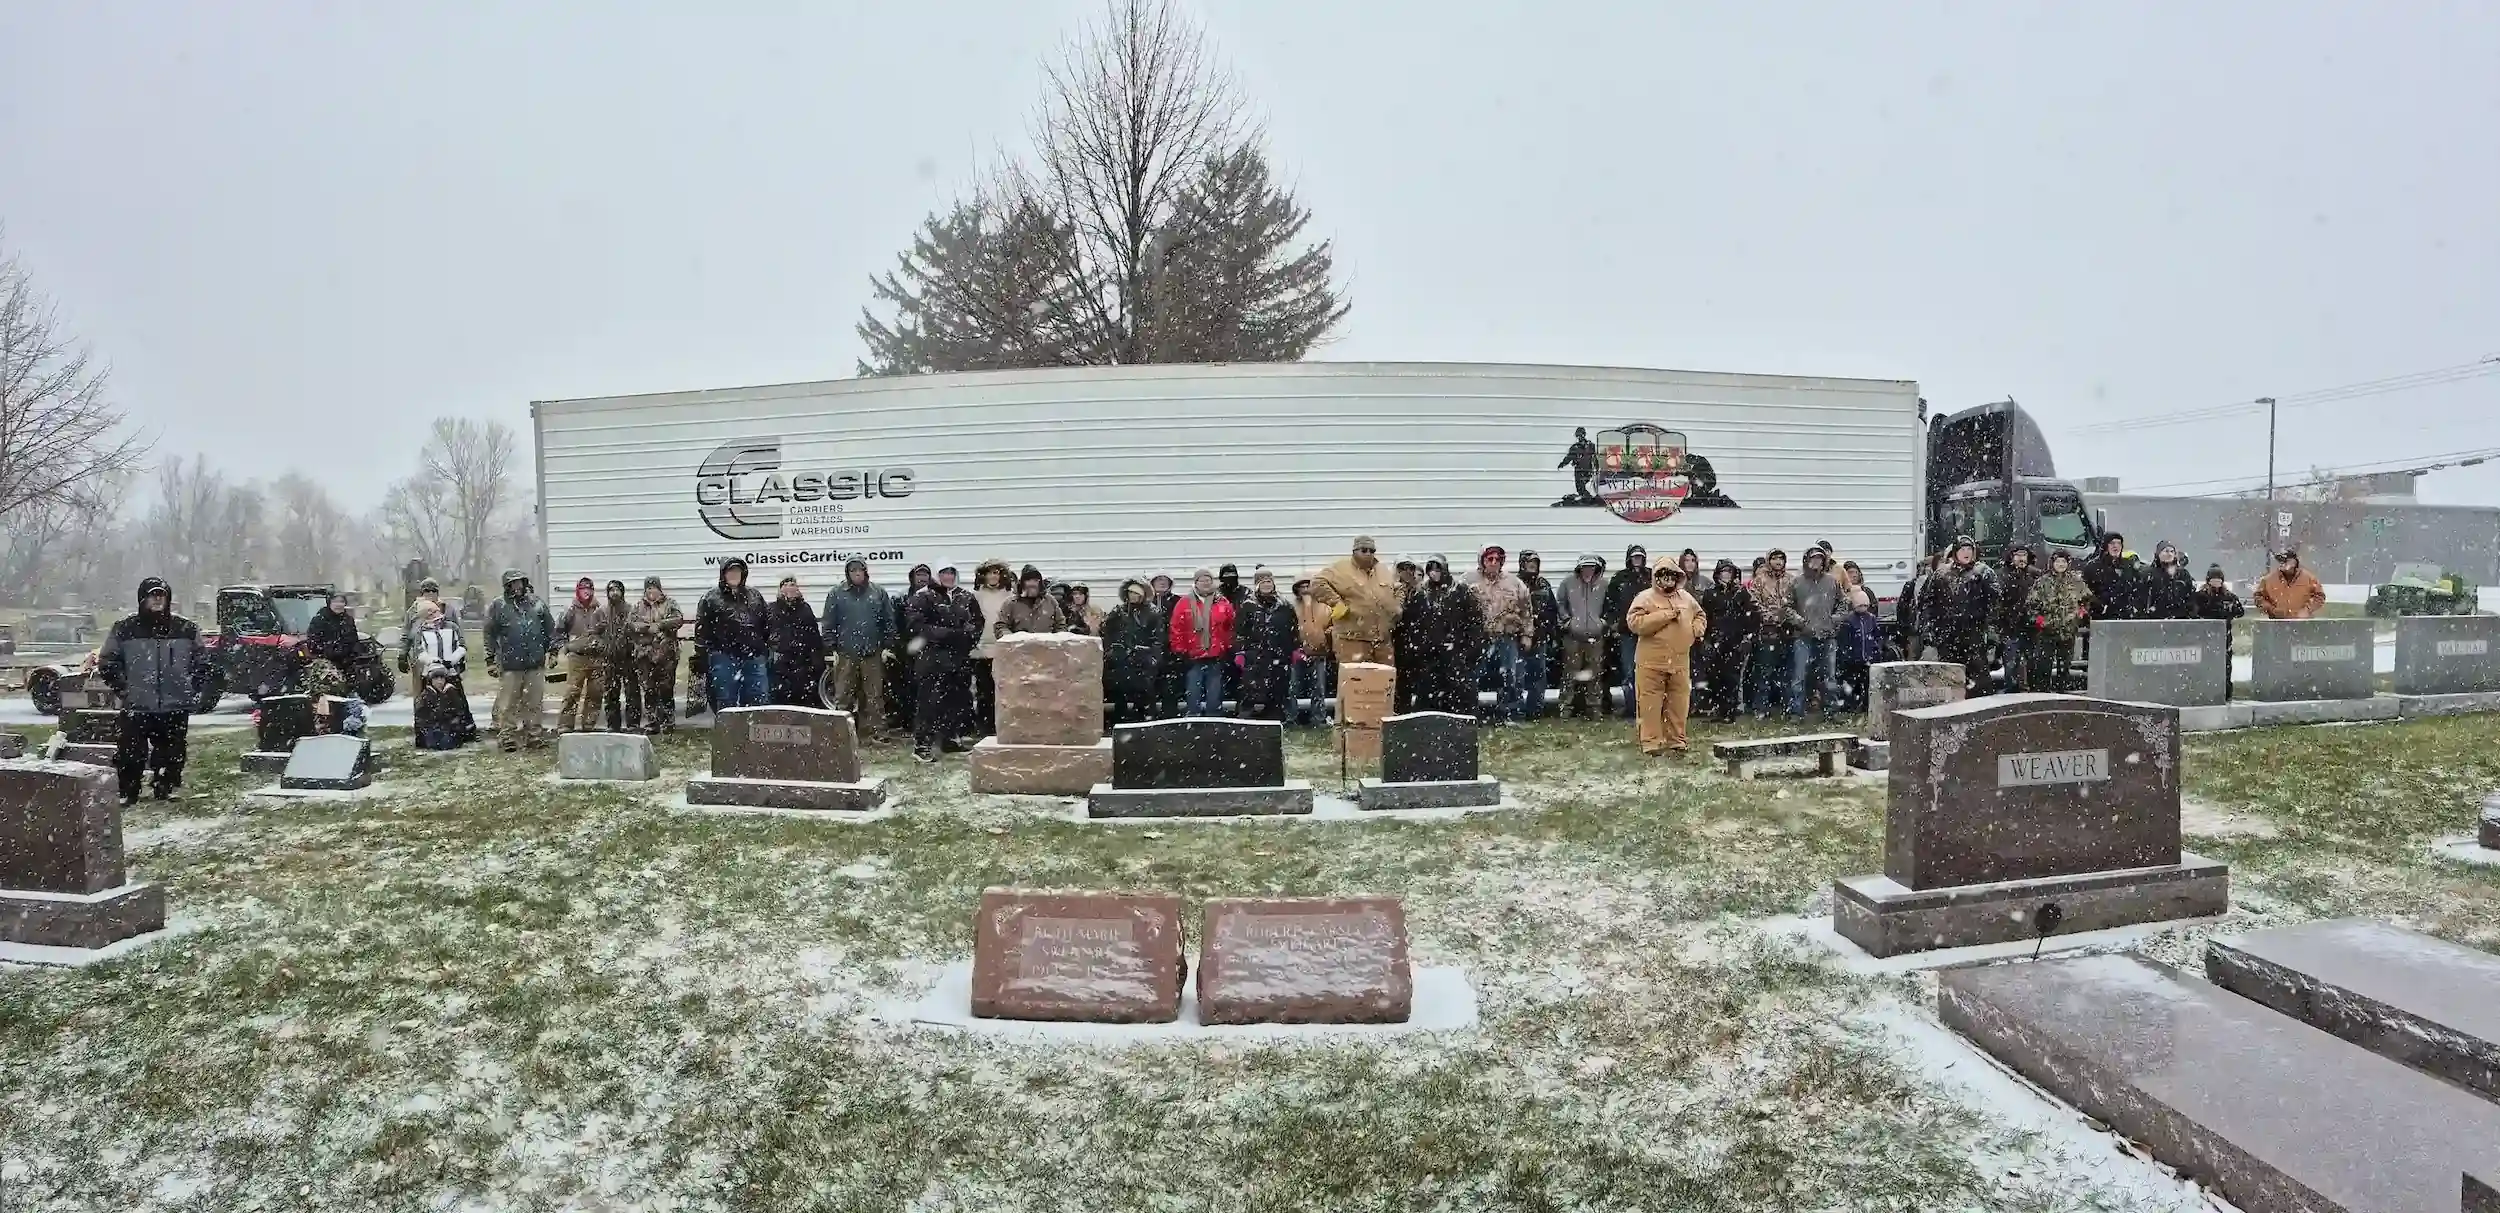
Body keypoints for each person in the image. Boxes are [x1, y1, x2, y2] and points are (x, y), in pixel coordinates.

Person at [97, 577, 209, 804]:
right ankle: (129, 791)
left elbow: (203, 662)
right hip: (137, 703)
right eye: (153, 595)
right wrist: (123, 688)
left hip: (175, 703)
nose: (157, 599)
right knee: (130, 752)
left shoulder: (185, 629)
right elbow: (108, 661)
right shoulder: (125, 629)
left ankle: (166, 787)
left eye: (161, 595)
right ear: (142, 598)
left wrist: (192, 686)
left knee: (172, 751)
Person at [1625, 564, 1707, 756]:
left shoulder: (1686, 598)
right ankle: (1651, 743)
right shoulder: (1644, 597)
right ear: (1657, 578)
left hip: (1679, 661)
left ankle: (1677, 740)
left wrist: (1696, 629)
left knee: (1679, 703)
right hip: (1651, 662)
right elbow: (1635, 624)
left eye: (1672, 576)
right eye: (1664, 577)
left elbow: (1700, 615)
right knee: (1650, 704)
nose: (1668, 580)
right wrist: (1665, 615)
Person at [904, 565, 981, 761]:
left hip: (958, 659)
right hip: (931, 658)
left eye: (951, 573)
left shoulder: (965, 596)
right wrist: (947, 635)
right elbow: (916, 626)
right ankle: (922, 746)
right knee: (929, 703)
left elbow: (978, 623)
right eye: (944, 573)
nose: (948, 577)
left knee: (955, 702)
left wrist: (967, 640)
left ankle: (950, 740)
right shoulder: (923, 596)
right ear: (937, 576)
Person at [482, 570, 554, 750]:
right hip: (510, 663)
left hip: (535, 662)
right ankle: (507, 736)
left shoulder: (537, 604)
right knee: (508, 704)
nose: (517, 586)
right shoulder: (498, 606)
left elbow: (551, 629)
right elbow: (489, 633)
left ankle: (534, 736)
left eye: (519, 582)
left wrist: (552, 651)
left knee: (534, 702)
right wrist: (490, 659)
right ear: (507, 586)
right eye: (513, 583)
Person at [821, 560, 894, 735]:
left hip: (872, 653)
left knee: (874, 696)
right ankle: (840, 733)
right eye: (853, 570)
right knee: (843, 695)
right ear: (848, 573)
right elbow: (829, 623)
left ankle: (876, 732)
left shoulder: (878, 593)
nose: (857, 573)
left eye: (860, 569)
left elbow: (888, 622)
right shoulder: (836, 594)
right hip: (846, 654)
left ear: (865, 571)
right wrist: (831, 649)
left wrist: (887, 646)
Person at [1406, 556, 1486, 715]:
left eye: (1437, 569)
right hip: (1429, 654)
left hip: (1456, 652)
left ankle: (1461, 723)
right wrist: (1419, 648)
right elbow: (1412, 622)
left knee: (1460, 693)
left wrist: (1468, 648)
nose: (1434, 573)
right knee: (1428, 693)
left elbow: (1474, 622)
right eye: (1431, 570)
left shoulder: (1460, 590)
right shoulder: (1421, 593)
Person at [1308, 536, 1403, 667]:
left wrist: (1396, 608)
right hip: (1352, 641)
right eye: (1364, 550)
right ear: (1354, 551)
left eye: (1372, 551)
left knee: (1383, 684)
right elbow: (1317, 583)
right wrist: (1336, 603)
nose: (1368, 554)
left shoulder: (1383, 570)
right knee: (1356, 683)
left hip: (1382, 642)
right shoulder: (1340, 568)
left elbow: (1398, 588)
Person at [696, 558, 771, 711]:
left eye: (737, 571)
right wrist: (703, 655)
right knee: (726, 698)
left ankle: (753, 731)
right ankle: (728, 731)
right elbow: (702, 630)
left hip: (753, 656)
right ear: (723, 574)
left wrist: (764, 647)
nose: (734, 575)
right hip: (724, 656)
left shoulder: (755, 595)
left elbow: (767, 623)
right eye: (730, 571)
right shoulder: (710, 598)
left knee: (758, 697)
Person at [1468, 546, 1532, 724]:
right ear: (1482, 560)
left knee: (1510, 676)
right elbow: (1459, 610)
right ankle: (1472, 715)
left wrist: (1527, 635)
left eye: (1498, 559)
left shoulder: (1514, 583)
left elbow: (1526, 611)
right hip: (1480, 638)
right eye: (1490, 559)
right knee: (1473, 677)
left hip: (1506, 637)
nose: (1494, 563)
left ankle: (1510, 714)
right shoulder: (1469, 582)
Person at [1927, 538, 1999, 696]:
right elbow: (1928, 602)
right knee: (1950, 671)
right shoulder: (1941, 574)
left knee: (1979, 672)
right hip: (1947, 632)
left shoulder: (1984, 572)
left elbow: (1995, 603)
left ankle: (1981, 705)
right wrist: (1930, 628)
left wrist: (1991, 629)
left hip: (1974, 631)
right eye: (1963, 549)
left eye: (1970, 549)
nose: (1967, 553)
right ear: (1955, 553)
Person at [1786, 548, 1846, 718]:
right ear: (1806, 560)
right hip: (1803, 637)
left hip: (1827, 636)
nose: (1816, 562)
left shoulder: (1832, 582)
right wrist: (1800, 622)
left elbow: (1844, 602)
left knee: (1829, 677)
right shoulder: (1797, 582)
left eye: (1820, 559)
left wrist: (1835, 619)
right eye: (1813, 559)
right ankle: (1797, 712)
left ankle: (1832, 711)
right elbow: (1787, 607)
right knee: (1799, 676)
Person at [409, 597, 476, 750]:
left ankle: (465, 732)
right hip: (431, 673)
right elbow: (419, 651)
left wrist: (452, 659)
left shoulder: (451, 627)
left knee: (457, 702)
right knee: (429, 705)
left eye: (435, 611)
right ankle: (427, 736)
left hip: (451, 671)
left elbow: (462, 645)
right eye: (430, 613)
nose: (435, 615)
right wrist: (432, 660)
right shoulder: (421, 631)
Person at [1169, 568, 1237, 716]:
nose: (1206, 583)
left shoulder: (1222, 602)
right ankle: (1193, 720)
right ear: (1196, 583)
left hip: (1215, 655)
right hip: (1193, 656)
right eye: (1202, 580)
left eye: (1208, 580)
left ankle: (1214, 719)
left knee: (1215, 691)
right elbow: (1176, 628)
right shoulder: (1184, 603)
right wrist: (1180, 650)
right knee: (1193, 691)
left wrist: (1227, 646)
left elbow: (1230, 626)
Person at [1696, 560, 1757, 723]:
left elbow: (1753, 616)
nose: (1726, 575)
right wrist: (1705, 639)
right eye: (1724, 572)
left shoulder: (1741, 593)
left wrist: (1747, 637)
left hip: (1734, 642)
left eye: (1729, 572)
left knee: (1731, 678)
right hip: (1715, 641)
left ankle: (1730, 711)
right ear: (1718, 574)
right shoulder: (1710, 594)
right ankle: (1719, 708)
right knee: (1715, 677)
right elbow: (1704, 616)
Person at [1235, 568, 1298, 720]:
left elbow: (1293, 629)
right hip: (1255, 656)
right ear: (1257, 585)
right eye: (1263, 582)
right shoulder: (1247, 605)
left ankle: (1276, 721)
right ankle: (1246, 719)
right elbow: (1239, 632)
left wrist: (1295, 649)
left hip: (1279, 656)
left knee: (1278, 690)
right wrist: (1240, 652)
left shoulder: (1284, 606)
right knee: (1251, 691)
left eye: (1269, 582)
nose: (1267, 585)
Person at [1103, 579, 1168, 725]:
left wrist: (1153, 657)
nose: (1132, 596)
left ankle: (1144, 723)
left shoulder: (1152, 613)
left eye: (1136, 593)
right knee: (1121, 694)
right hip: (1122, 659)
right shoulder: (1118, 611)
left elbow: (1158, 637)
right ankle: (1120, 723)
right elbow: (1108, 633)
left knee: (1144, 694)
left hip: (1143, 659)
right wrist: (1112, 651)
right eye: (1130, 592)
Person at [625, 577, 685, 734]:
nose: (652, 591)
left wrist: (660, 625)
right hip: (644, 656)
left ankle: (668, 722)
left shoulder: (670, 603)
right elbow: (631, 624)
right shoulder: (638, 606)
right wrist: (647, 628)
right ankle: (652, 722)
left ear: (660, 589)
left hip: (666, 655)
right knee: (649, 690)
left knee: (666, 689)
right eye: (649, 588)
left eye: (654, 588)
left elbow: (678, 620)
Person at [2027, 550, 2092, 692]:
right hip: (2047, 631)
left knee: (2064, 668)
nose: (2060, 565)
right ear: (2052, 563)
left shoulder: (2076, 581)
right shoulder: (2043, 581)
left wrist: (2081, 613)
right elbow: (2031, 605)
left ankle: (2062, 693)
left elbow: (2086, 600)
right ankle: (2043, 695)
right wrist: (2039, 620)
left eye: (2063, 562)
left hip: (2068, 631)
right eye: (2058, 562)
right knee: (2044, 667)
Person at [1557, 554, 1611, 719]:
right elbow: (1560, 603)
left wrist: (1603, 622)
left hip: (1596, 638)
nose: (1588, 570)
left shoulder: (1603, 585)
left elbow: (1611, 606)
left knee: (1595, 675)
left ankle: (1594, 708)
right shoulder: (1568, 583)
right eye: (1585, 567)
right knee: (1569, 674)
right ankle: (1565, 709)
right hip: (1572, 638)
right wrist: (1568, 623)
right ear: (1579, 568)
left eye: (1592, 567)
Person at [1602, 545, 1651, 718]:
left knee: (1650, 672)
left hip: (1648, 633)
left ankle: (1649, 708)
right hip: (1627, 634)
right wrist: (1613, 625)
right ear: (1629, 558)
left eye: (1640, 557)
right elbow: (1610, 605)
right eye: (1634, 557)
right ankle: (1632, 708)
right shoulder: (1619, 578)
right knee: (1629, 671)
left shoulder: (1651, 577)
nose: (1637, 560)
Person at [1747, 550, 1795, 718]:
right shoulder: (1759, 580)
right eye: (1774, 558)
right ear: (1769, 561)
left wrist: (1787, 617)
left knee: (1787, 672)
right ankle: (1761, 708)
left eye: (1781, 558)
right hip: (1767, 633)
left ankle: (1787, 708)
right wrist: (1770, 617)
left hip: (1787, 632)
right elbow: (1753, 602)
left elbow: (1796, 602)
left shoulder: (1791, 580)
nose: (1778, 561)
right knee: (1764, 672)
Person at [969, 559, 1015, 734]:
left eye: (996, 572)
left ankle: (1003, 725)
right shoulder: (975, 595)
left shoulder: (1010, 596)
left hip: (1003, 650)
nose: (993, 576)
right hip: (981, 651)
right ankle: (985, 727)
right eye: (989, 572)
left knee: (1004, 690)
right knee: (984, 692)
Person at [766, 576, 826, 706]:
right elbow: (765, 636)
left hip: (802, 664)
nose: (790, 587)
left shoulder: (805, 609)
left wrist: (817, 661)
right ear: (780, 589)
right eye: (786, 585)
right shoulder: (771, 609)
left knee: (803, 701)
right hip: (779, 665)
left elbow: (814, 636)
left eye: (793, 584)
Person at [886, 565, 931, 734]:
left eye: (925, 575)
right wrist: (897, 645)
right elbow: (894, 623)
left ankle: (927, 724)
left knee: (927, 688)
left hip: (928, 648)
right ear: (911, 577)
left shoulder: (934, 596)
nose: (922, 578)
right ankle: (908, 722)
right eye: (918, 575)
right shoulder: (900, 597)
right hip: (906, 651)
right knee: (906, 687)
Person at [1835, 561, 1883, 711]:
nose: (1863, 608)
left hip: (1867, 657)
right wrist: (1846, 654)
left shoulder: (1871, 619)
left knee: (1867, 682)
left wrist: (1876, 650)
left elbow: (1877, 635)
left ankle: (1866, 705)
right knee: (1851, 682)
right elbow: (1844, 640)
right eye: (1859, 605)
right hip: (1853, 658)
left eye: (1865, 605)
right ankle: (1849, 705)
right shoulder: (1849, 621)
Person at [1517, 551, 1559, 720]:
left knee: (1539, 676)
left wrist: (1552, 633)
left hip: (1540, 638)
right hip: (1518, 638)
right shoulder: (1514, 584)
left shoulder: (1544, 585)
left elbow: (1552, 610)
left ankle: (1535, 711)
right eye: (1529, 562)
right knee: (1515, 677)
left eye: (1535, 562)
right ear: (1522, 563)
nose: (1532, 565)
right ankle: (1516, 711)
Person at [1995, 547, 2041, 693]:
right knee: (2011, 663)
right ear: (2011, 557)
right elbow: (1997, 602)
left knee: (2033, 661)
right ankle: (2011, 690)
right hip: (2010, 626)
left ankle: (2034, 690)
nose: (2021, 558)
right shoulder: (2002, 575)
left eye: (2024, 555)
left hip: (2032, 627)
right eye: (2017, 555)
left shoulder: (2035, 575)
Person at [1290, 577, 1333, 726]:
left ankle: (1318, 718)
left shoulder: (1325, 607)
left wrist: (1323, 642)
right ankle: (1291, 718)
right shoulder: (1292, 608)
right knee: (1292, 689)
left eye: (1307, 585)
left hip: (1319, 654)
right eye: (1301, 586)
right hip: (1296, 655)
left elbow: (1331, 627)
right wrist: (1296, 648)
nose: (1305, 589)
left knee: (1319, 690)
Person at [303, 591, 362, 695]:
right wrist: (331, 651)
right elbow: (313, 643)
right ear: (329, 603)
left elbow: (354, 639)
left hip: (347, 659)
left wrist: (355, 652)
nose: (339, 604)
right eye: (335, 601)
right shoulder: (319, 620)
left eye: (342, 601)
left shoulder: (348, 620)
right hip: (326, 659)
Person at [598, 579, 635, 730]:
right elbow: (595, 633)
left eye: (617, 590)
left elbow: (635, 632)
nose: (614, 593)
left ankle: (633, 724)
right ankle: (613, 725)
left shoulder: (630, 610)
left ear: (622, 592)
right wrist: (603, 647)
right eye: (611, 590)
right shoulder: (602, 612)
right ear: (608, 593)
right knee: (611, 694)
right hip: (609, 658)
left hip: (628, 658)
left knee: (632, 692)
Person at [401, 576, 445, 701]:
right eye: (427, 591)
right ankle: (421, 716)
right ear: (422, 593)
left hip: (442, 656)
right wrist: (402, 654)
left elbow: (456, 632)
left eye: (433, 591)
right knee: (420, 691)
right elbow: (406, 633)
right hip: (419, 657)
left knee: (443, 691)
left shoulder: (446, 609)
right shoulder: (413, 611)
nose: (430, 594)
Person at [1148, 573, 1184, 717]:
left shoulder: (1178, 601)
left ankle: (1170, 717)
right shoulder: (1146, 601)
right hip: (1150, 651)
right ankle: (1149, 717)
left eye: (1165, 580)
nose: (1162, 583)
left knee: (1170, 688)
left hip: (1171, 651)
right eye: (1158, 580)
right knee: (1148, 688)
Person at [2084, 533, 2142, 622]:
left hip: (2126, 616)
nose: (2116, 546)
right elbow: (2087, 592)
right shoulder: (2092, 567)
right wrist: (2100, 605)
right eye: (2112, 543)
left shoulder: (2128, 565)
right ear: (2105, 545)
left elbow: (2137, 588)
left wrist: (2134, 606)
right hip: (2102, 616)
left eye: (2119, 543)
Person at [2254, 549, 2326, 620]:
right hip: (2277, 623)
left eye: (2285, 560)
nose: (2282, 563)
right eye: (2280, 560)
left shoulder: (2309, 578)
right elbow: (2258, 597)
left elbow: (2319, 596)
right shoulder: (2268, 579)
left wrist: (2306, 610)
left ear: (2294, 562)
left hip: (2303, 624)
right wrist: (2271, 610)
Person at [996, 565, 1066, 637]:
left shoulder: (1050, 601)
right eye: (1028, 580)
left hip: (1046, 646)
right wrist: (1011, 638)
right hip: (1019, 646)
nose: (1032, 584)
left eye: (1036, 580)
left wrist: (1058, 639)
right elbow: (1001, 626)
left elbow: (1061, 625)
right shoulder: (1010, 603)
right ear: (1022, 583)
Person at [2142, 542, 2197, 621]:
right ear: (2158, 554)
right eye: (2166, 551)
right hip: (2155, 620)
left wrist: (2190, 615)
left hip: (2180, 620)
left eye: (2172, 551)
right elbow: (2142, 598)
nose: (2170, 554)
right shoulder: (2149, 574)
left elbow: (2191, 598)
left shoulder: (2183, 574)